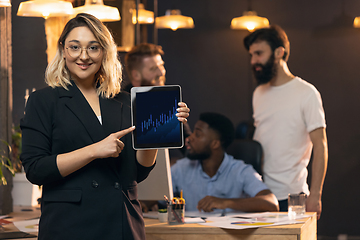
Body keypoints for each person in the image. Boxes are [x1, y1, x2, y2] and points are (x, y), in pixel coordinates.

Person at [20, 13, 190, 240]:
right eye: (74, 47)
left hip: (122, 224)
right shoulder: (44, 101)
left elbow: (137, 173)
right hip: (69, 225)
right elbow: (35, 168)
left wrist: (157, 133)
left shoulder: (125, 100)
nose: (83, 56)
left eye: (93, 48)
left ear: (104, 52)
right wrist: (94, 150)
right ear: (63, 50)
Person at [243, 25, 328, 219]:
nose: (254, 61)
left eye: (259, 53)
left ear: (279, 52)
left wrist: (315, 195)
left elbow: (320, 145)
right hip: (260, 195)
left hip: (294, 197)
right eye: (251, 55)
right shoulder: (258, 93)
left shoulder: (307, 93)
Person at [171, 112, 279, 213]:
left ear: (215, 144)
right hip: (191, 232)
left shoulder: (240, 171)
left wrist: (226, 202)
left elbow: (272, 203)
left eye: (198, 134)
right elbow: (156, 198)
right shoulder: (181, 168)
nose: (190, 138)